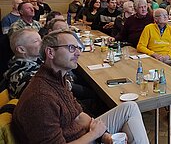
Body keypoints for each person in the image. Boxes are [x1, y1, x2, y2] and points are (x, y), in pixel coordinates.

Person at [12, 29, 149, 144]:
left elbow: (78, 115)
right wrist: (94, 134)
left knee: (130, 107)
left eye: (78, 48)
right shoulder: (41, 97)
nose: (78, 53)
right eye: (71, 48)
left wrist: (104, 135)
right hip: (81, 139)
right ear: (50, 53)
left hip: (83, 134)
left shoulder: (58, 79)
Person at [3, 29, 42, 99]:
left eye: (41, 39)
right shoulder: (23, 76)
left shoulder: (37, 63)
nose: (42, 43)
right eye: (36, 41)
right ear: (21, 50)